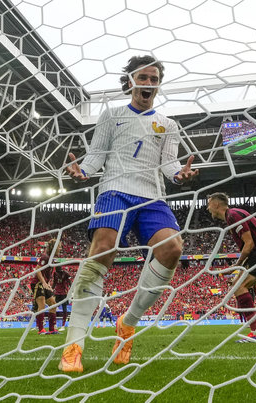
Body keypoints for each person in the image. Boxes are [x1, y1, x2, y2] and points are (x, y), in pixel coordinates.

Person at [59, 55, 199, 372]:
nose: (148, 83)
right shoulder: (112, 115)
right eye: (143, 78)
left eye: (153, 79)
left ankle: (128, 323)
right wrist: (81, 171)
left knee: (173, 248)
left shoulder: (169, 125)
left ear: (158, 84)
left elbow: (169, 167)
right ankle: (73, 346)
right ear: (130, 82)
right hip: (115, 190)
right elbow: (96, 157)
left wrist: (181, 175)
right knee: (103, 247)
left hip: (152, 195)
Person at [206, 192, 256, 343]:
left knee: (239, 286)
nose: (208, 208)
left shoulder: (233, 215)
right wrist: (238, 272)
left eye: (209, 204)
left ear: (216, 204)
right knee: (238, 285)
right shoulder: (234, 215)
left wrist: (237, 265)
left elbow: (249, 244)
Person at [31, 239, 59, 335]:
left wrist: (48, 284)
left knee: (53, 304)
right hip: (37, 283)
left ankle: (52, 329)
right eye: (59, 246)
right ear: (54, 247)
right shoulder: (45, 257)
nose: (60, 248)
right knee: (41, 305)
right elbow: (37, 270)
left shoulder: (51, 258)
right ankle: (41, 329)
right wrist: (43, 282)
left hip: (44, 284)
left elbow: (47, 273)